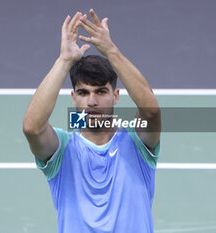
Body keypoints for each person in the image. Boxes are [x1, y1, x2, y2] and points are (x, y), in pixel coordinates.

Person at [23, 9, 161, 233]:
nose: (92, 102)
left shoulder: (138, 141)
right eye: (84, 93)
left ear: (116, 96)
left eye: (101, 91)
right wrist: (64, 60)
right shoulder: (62, 148)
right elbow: (32, 127)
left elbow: (151, 111)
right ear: (74, 98)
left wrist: (111, 51)